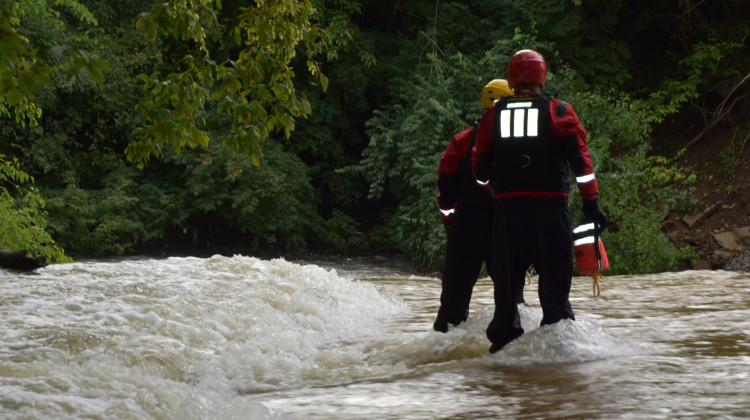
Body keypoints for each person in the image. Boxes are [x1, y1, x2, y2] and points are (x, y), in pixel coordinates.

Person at [471, 49, 608, 352]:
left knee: (507, 294)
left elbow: (479, 170)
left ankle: (505, 357)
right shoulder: (559, 112)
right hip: (551, 216)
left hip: (508, 217)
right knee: (556, 297)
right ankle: (557, 362)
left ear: (512, 78)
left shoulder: (492, 116)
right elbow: (582, 165)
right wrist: (591, 204)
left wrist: (497, 188)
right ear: (542, 78)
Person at [433, 79, 521, 333]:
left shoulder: (462, 140)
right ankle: (512, 349)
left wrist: (451, 222)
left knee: (454, 300)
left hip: (467, 226)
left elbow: (445, 184)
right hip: (501, 225)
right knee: (511, 296)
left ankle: (442, 353)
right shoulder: (517, 142)